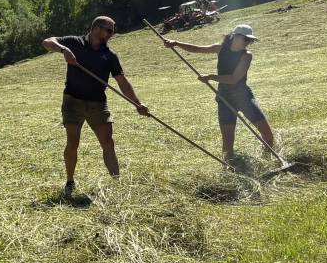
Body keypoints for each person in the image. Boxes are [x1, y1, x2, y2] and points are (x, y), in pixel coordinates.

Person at [41, 15, 150, 196]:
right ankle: (70, 181)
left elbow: (122, 82)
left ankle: (117, 183)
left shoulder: (110, 56)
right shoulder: (74, 43)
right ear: (97, 28)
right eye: (109, 31)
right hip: (73, 101)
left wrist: (137, 104)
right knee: (73, 142)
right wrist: (63, 50)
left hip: (98, 103)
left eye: (112, 31)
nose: (111, 34)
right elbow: (47, 42)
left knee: (108, 142)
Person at [162, 22, 286, 171]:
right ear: (235, 36)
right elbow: (197, 49)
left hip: (243, 97)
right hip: (225, 98)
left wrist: (211, 77)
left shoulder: (246, 55)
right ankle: (228, 169)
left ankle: (267, 161)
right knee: (227, 141)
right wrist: (176, 43)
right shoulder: (220, 48)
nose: (248, 42)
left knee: (266, 132)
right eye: (246, 39)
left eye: (250, 40)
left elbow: (234, 79)